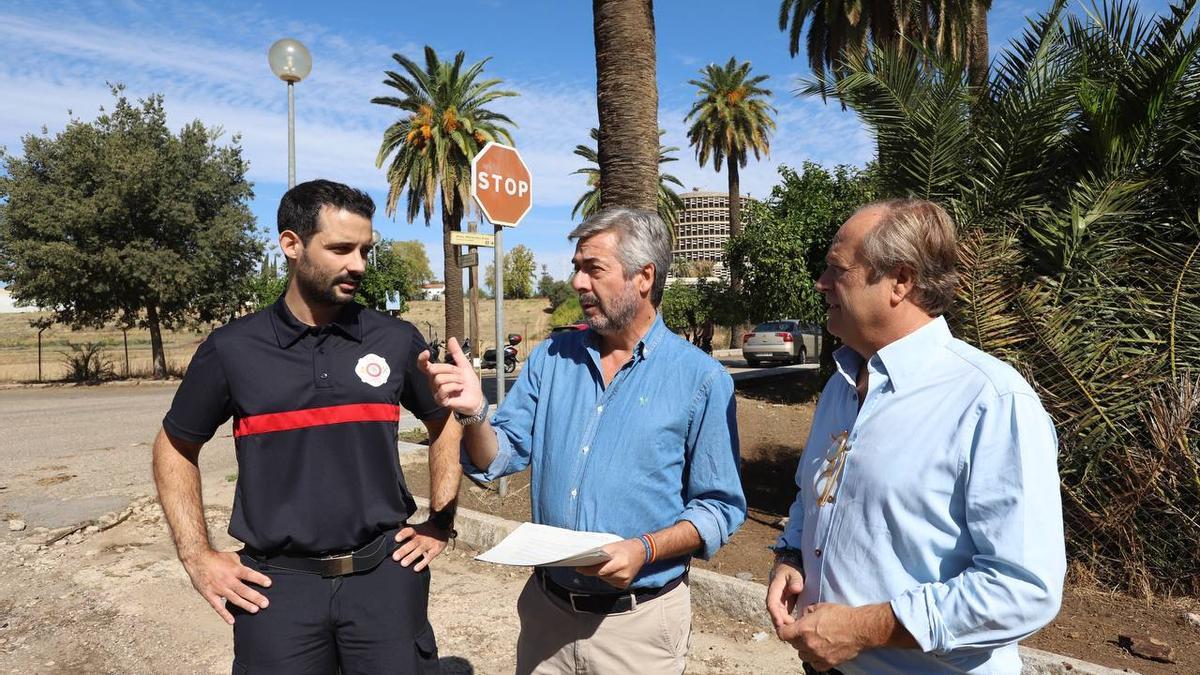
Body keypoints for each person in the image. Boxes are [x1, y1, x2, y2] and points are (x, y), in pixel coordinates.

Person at [152, 179, 461, 673]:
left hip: (384, 578)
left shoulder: (394, 339)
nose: (358, 265)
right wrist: (196, 555)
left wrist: (440, 523)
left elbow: (444, 422)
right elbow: (174, 446)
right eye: (341, 249)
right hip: (275, 588)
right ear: (292, 244)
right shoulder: (232, 349)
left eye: (365, 250)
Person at [421, 207, 746, 674]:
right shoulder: (551, 358)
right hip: (546, 616)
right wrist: (474, 414)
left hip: (638, 629)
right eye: (577, 267)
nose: (577, 282)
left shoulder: (702, 379)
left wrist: (644, 550)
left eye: (593, 269)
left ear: (644, 277)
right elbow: (500, 455)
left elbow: (718, 507)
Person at [765, 198, 1066, 674]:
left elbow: (1023, 589)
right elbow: (813, 497)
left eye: (836, 269)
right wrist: (792, 557)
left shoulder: (990, 401)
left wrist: (864, 629)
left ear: (900, 281)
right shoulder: (840, 387)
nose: (821, 283)